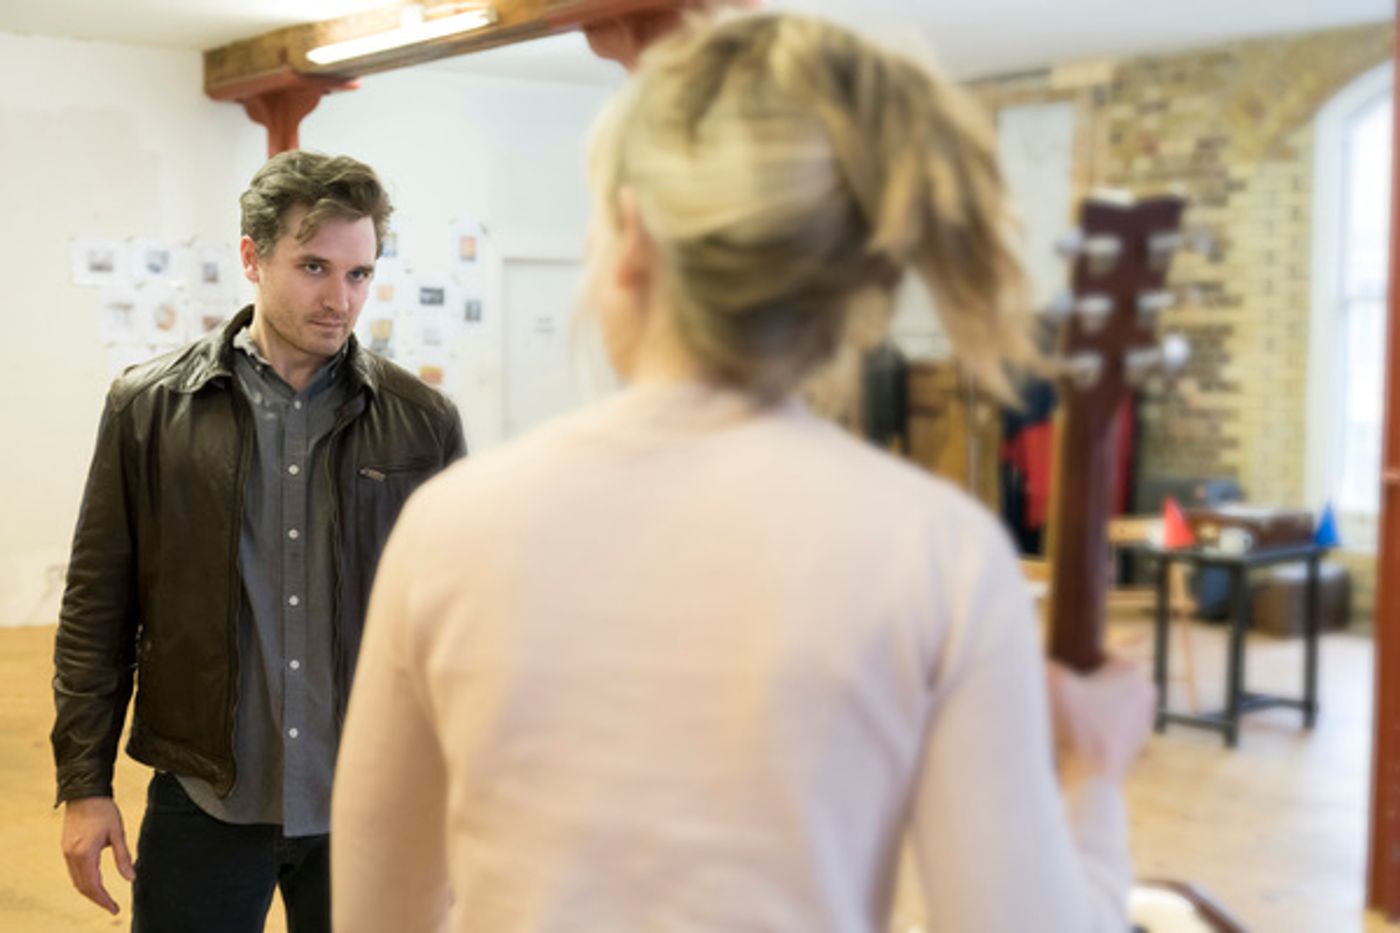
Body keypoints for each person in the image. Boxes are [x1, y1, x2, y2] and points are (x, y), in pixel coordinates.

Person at [332, 13, 1152, 933]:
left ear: (631, 236)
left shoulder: (451, 525)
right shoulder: (941, 553)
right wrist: (1097, 775)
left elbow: (376, 914)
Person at [52, 150, 466, 933]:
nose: (340, 299)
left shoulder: (421, 422)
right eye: (314, 267)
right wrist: (85, 782)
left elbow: (460, 626)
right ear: (252, 256)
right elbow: (95, 610)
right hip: (206, 793)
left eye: (359, 273)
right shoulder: (149, 408)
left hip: (371, 802)